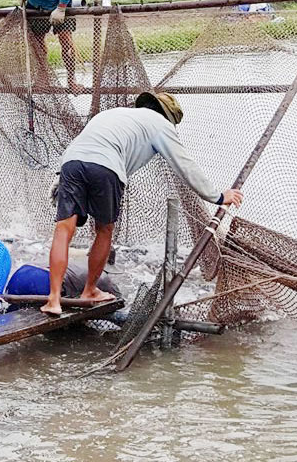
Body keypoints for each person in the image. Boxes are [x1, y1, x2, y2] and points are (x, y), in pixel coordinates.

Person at [41, 91, 244, 315]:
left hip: (71, 163)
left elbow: (85, 145)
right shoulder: (160, 125)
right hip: (107, 166)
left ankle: (53, 299)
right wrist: (217, 197)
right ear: (168, 117)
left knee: (63, 229)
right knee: (105, 230)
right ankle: (89, 290)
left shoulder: (114, 114)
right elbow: (186, 167)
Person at [7, 261, 121, 300]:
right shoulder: (103, 278)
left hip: (21, 273)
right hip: (43, 281)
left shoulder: (79, 262)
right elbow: (118, 301)